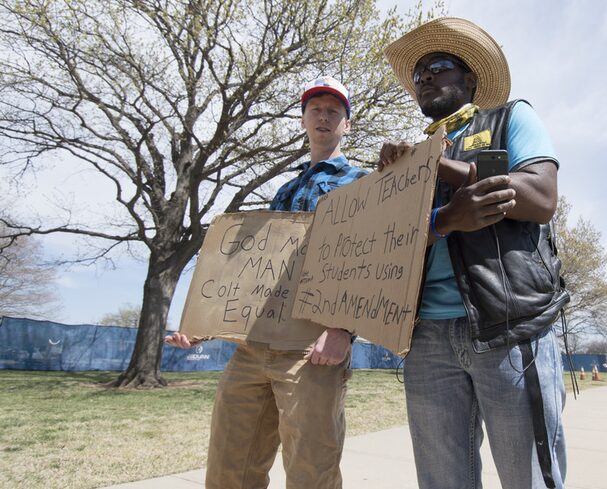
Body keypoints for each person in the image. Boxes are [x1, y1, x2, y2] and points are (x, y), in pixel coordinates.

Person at [381, 17, 569, 489]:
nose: (424, 77)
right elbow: (394, 243)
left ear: (469, 78)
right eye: (418, 73)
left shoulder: (510, 117)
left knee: (527, 478)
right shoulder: (416, 154)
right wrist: (435, 211)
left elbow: (542, 197)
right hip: (426, 338)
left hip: (506, 326)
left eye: (437, 66)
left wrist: (440, 169)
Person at [165, 76, 363, 489]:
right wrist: (205, 325)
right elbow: (255, 272)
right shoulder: (285, 190)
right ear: (304, 120)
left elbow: (367, 262)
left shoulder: (363, 184)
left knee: (312, 470)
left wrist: (343, 329)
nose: (323, 117)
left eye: (333, 111)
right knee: (228, 467)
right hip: (252, 346)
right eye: (315, 110)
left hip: (312, 349)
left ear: (347, 123)